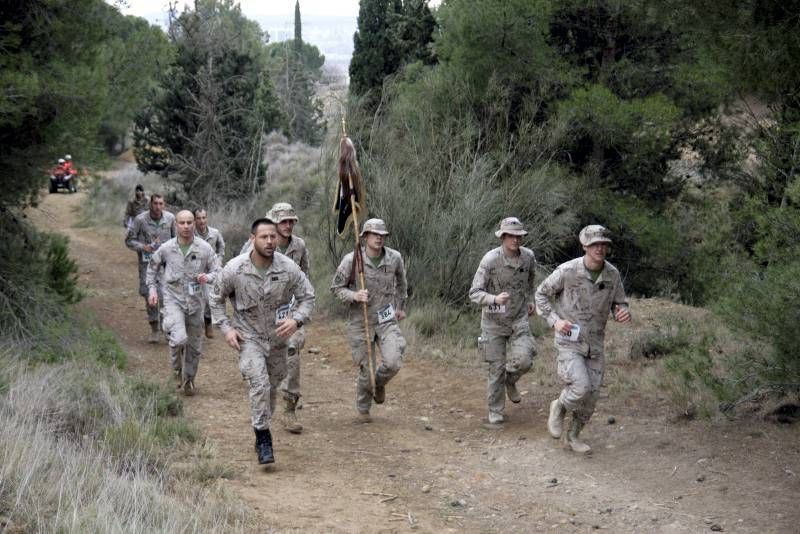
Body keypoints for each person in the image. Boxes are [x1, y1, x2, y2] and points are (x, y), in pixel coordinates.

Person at [209, 218, 315, 465]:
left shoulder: (288, 268)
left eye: (273, 237)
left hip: (279, 339)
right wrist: (226, 329)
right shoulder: (235, 269)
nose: (269, 241)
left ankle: (262, 425)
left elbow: (308, 296)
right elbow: (215, 298)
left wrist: (297, 320)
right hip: (249, 338)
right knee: (259, 384)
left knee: (273, 385)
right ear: (252, 239)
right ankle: (263, 436)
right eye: (264, 237)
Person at [535, 225, 631, 454]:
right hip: (569, 340)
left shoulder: (612, 274)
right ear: (585, 246)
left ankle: (573, 436)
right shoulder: (567, 270)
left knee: (592, 396)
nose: (600, 248)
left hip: (595, 344)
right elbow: (541, 294)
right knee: (580, 385)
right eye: (595, 244)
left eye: (603, 244)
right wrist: (555, 321)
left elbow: (620, 302)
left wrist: (622, 311)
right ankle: (559, 407)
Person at [330, 218, 408, 423]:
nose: (379, 238)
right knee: (367, 368)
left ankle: (378, 383)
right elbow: (336, 289)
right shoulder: (352, 260)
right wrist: (354, 296)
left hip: (386, 318)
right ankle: (363, 409)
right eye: (375, 235)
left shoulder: (394, 258)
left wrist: (400, 307)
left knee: (393, 361)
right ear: (365, 236)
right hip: (360, 320)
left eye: (382, 235)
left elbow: (402, 284)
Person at [469, 217, 537, 428]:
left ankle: (511, 378)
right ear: (502, 237)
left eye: (518, 236)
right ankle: (495, 412)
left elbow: (531, 281)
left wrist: (531, 300)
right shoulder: (490, 260)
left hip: (518, 319)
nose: (515, 240)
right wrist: (493, 299)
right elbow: (474, 293)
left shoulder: (528, 258)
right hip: (493, 322)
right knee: (495, 368)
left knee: (526, 358)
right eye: (511, 236)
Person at [146, 210, 220, 395]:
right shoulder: (167, 248)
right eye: (182, 223)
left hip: (196, 303)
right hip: (173, 300)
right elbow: (152, 268)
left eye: (189, 222)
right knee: (178, 339)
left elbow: (218, 271)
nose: (186, 226)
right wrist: (153, 290)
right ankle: (176, 371)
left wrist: (207, 277)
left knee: (194, 346)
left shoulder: (204, 248)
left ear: (194, 224)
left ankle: (189, 379)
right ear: (176, 225)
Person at [125, 194, 176, 343]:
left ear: (164, 205)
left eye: (161, 203)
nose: (158, 207)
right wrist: (143, 247)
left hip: (166, 265)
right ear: (150, 204)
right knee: (150, 296)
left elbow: (176, 240)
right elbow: (129, 240)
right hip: (147, 265)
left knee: (166, 296)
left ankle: (167, 329)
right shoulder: (140, 220)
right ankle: (154, 328)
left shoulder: (170, 219)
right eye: (155, 203)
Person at [193, 208, 226, 339]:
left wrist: (219, 260)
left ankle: (207, 322)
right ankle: (195, 326)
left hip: (210, 272)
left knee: (208, 299)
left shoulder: (215, 233)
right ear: (195, 220)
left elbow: (221, 247)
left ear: (207, 218)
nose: (201, 221)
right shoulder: (191, 234)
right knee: (194, 299)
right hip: (195, 271)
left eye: (204, 217)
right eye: (199, 218)